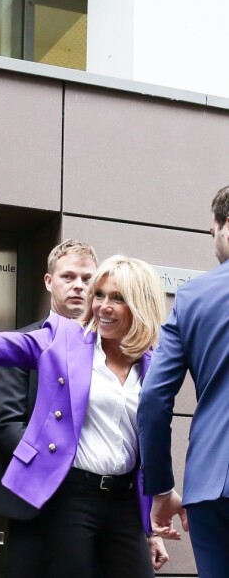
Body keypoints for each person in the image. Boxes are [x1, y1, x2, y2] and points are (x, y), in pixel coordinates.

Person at [0, 221, 168, 578]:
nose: (101, 305)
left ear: (139, 305)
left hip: (124, 503)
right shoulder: (61, 338)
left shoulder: (152, 362)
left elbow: (150, 440)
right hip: (71, 496)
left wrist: (154, 511)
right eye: (101, 295)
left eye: (117, 298)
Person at [0, 239, 99, 578]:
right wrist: (60, 470)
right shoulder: (23, 343)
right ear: (49, 282)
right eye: (69, 276)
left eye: (88, 278)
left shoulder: (107, 353)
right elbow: (6, 424)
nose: (79, 285)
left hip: (97, 504)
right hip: (36, 500)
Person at [138, 185, 229, 578]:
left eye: (212, 233)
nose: (214, 245)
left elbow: (154, 400)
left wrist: (161, 487)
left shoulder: (193, 298)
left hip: (212, 486)